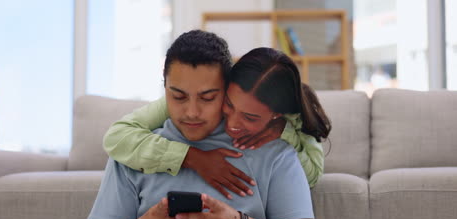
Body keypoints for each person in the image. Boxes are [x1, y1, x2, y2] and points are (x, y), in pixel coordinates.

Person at [87, 30, 319, 219]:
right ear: (164, 87)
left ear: (229, 89)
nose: (192, 112)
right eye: (178, 96)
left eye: (208, 98)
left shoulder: (274, 152)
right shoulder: (134, 152)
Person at [103, 44, 328, 200]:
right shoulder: (195, 98)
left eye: (250, 117)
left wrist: (283, 133)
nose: (232, 125)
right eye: (228, 105)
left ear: (276, 115)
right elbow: (116, 136)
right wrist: (192, 157)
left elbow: (312, 177)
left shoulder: (292, 116)